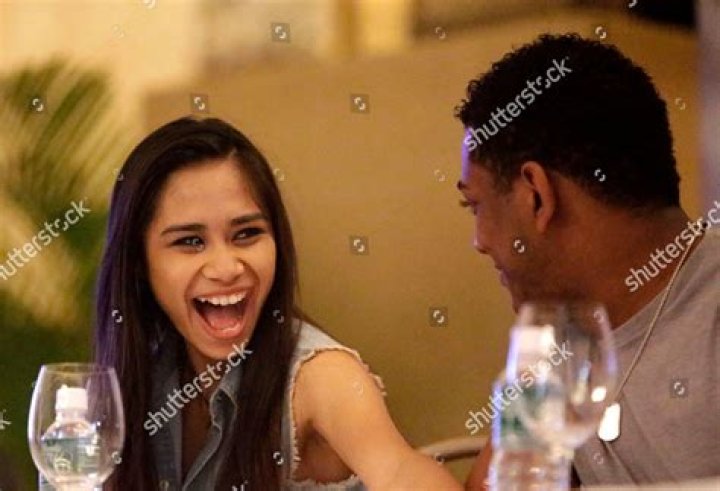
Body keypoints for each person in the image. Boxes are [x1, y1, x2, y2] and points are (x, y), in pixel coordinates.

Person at [94, 117, 461, 490]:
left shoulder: (321, 375)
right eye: (190, 241)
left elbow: (400, 470)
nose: (226, 268)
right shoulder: (144, 368)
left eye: (247, 233)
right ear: (138, 262)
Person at [455, 34, 720, 488]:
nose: (478, 242)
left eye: (475, 206)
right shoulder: (557, 335)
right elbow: (503, 483)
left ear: (537, 196)